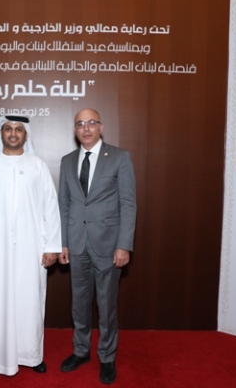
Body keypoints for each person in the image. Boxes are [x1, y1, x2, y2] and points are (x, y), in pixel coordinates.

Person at [0, 115, 61, 376]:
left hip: (33, 248)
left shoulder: (38, 165)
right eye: (8, 129)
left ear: (25, 135)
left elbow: (50, 208)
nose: (13, 133)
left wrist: (52, 246)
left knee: (31, 300)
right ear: (1, 133)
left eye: (19, 129)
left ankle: (31, 355)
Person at [58, 108, 137, 384]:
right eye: (80, 124)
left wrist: (124, 245)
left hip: (108, 244)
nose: (86, 128)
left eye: (91, 122)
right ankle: (81, 351)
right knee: (79, 304)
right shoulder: (67, 161)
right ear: (75, 129)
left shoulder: (119, 157)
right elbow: (64, 204)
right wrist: (63, 242)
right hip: (76, 244)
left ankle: (107, 356)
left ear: (100, 127)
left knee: (106, 305)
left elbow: (128, 203)